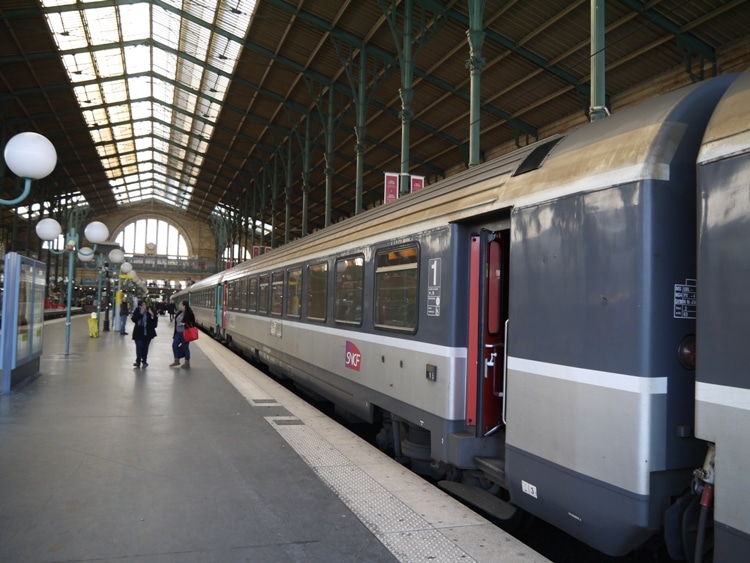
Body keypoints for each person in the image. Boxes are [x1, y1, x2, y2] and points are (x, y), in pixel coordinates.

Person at [131, 300, 158, 368]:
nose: (144, 306)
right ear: (139, 306)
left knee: (145, 348)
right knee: (139, 347)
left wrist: (152, 314)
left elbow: (155, 322)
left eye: (145, 305)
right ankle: (138, 361)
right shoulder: (137, 310)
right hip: (138, 333)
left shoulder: (150, 310)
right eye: (142, 305)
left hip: (147, 333)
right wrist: (141, 313)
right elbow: (134, 319)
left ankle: (144, 361)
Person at [170, 300, 195, 369]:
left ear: (184, 306)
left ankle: (187, 362)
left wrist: (183, 323)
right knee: (174, 345)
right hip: (178, 332)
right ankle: (176, 360)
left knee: (185, 347)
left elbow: (192, 323)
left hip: (185, 333)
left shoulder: (189, 313)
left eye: (181, 305)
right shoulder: (179, 313)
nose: (179, 306)